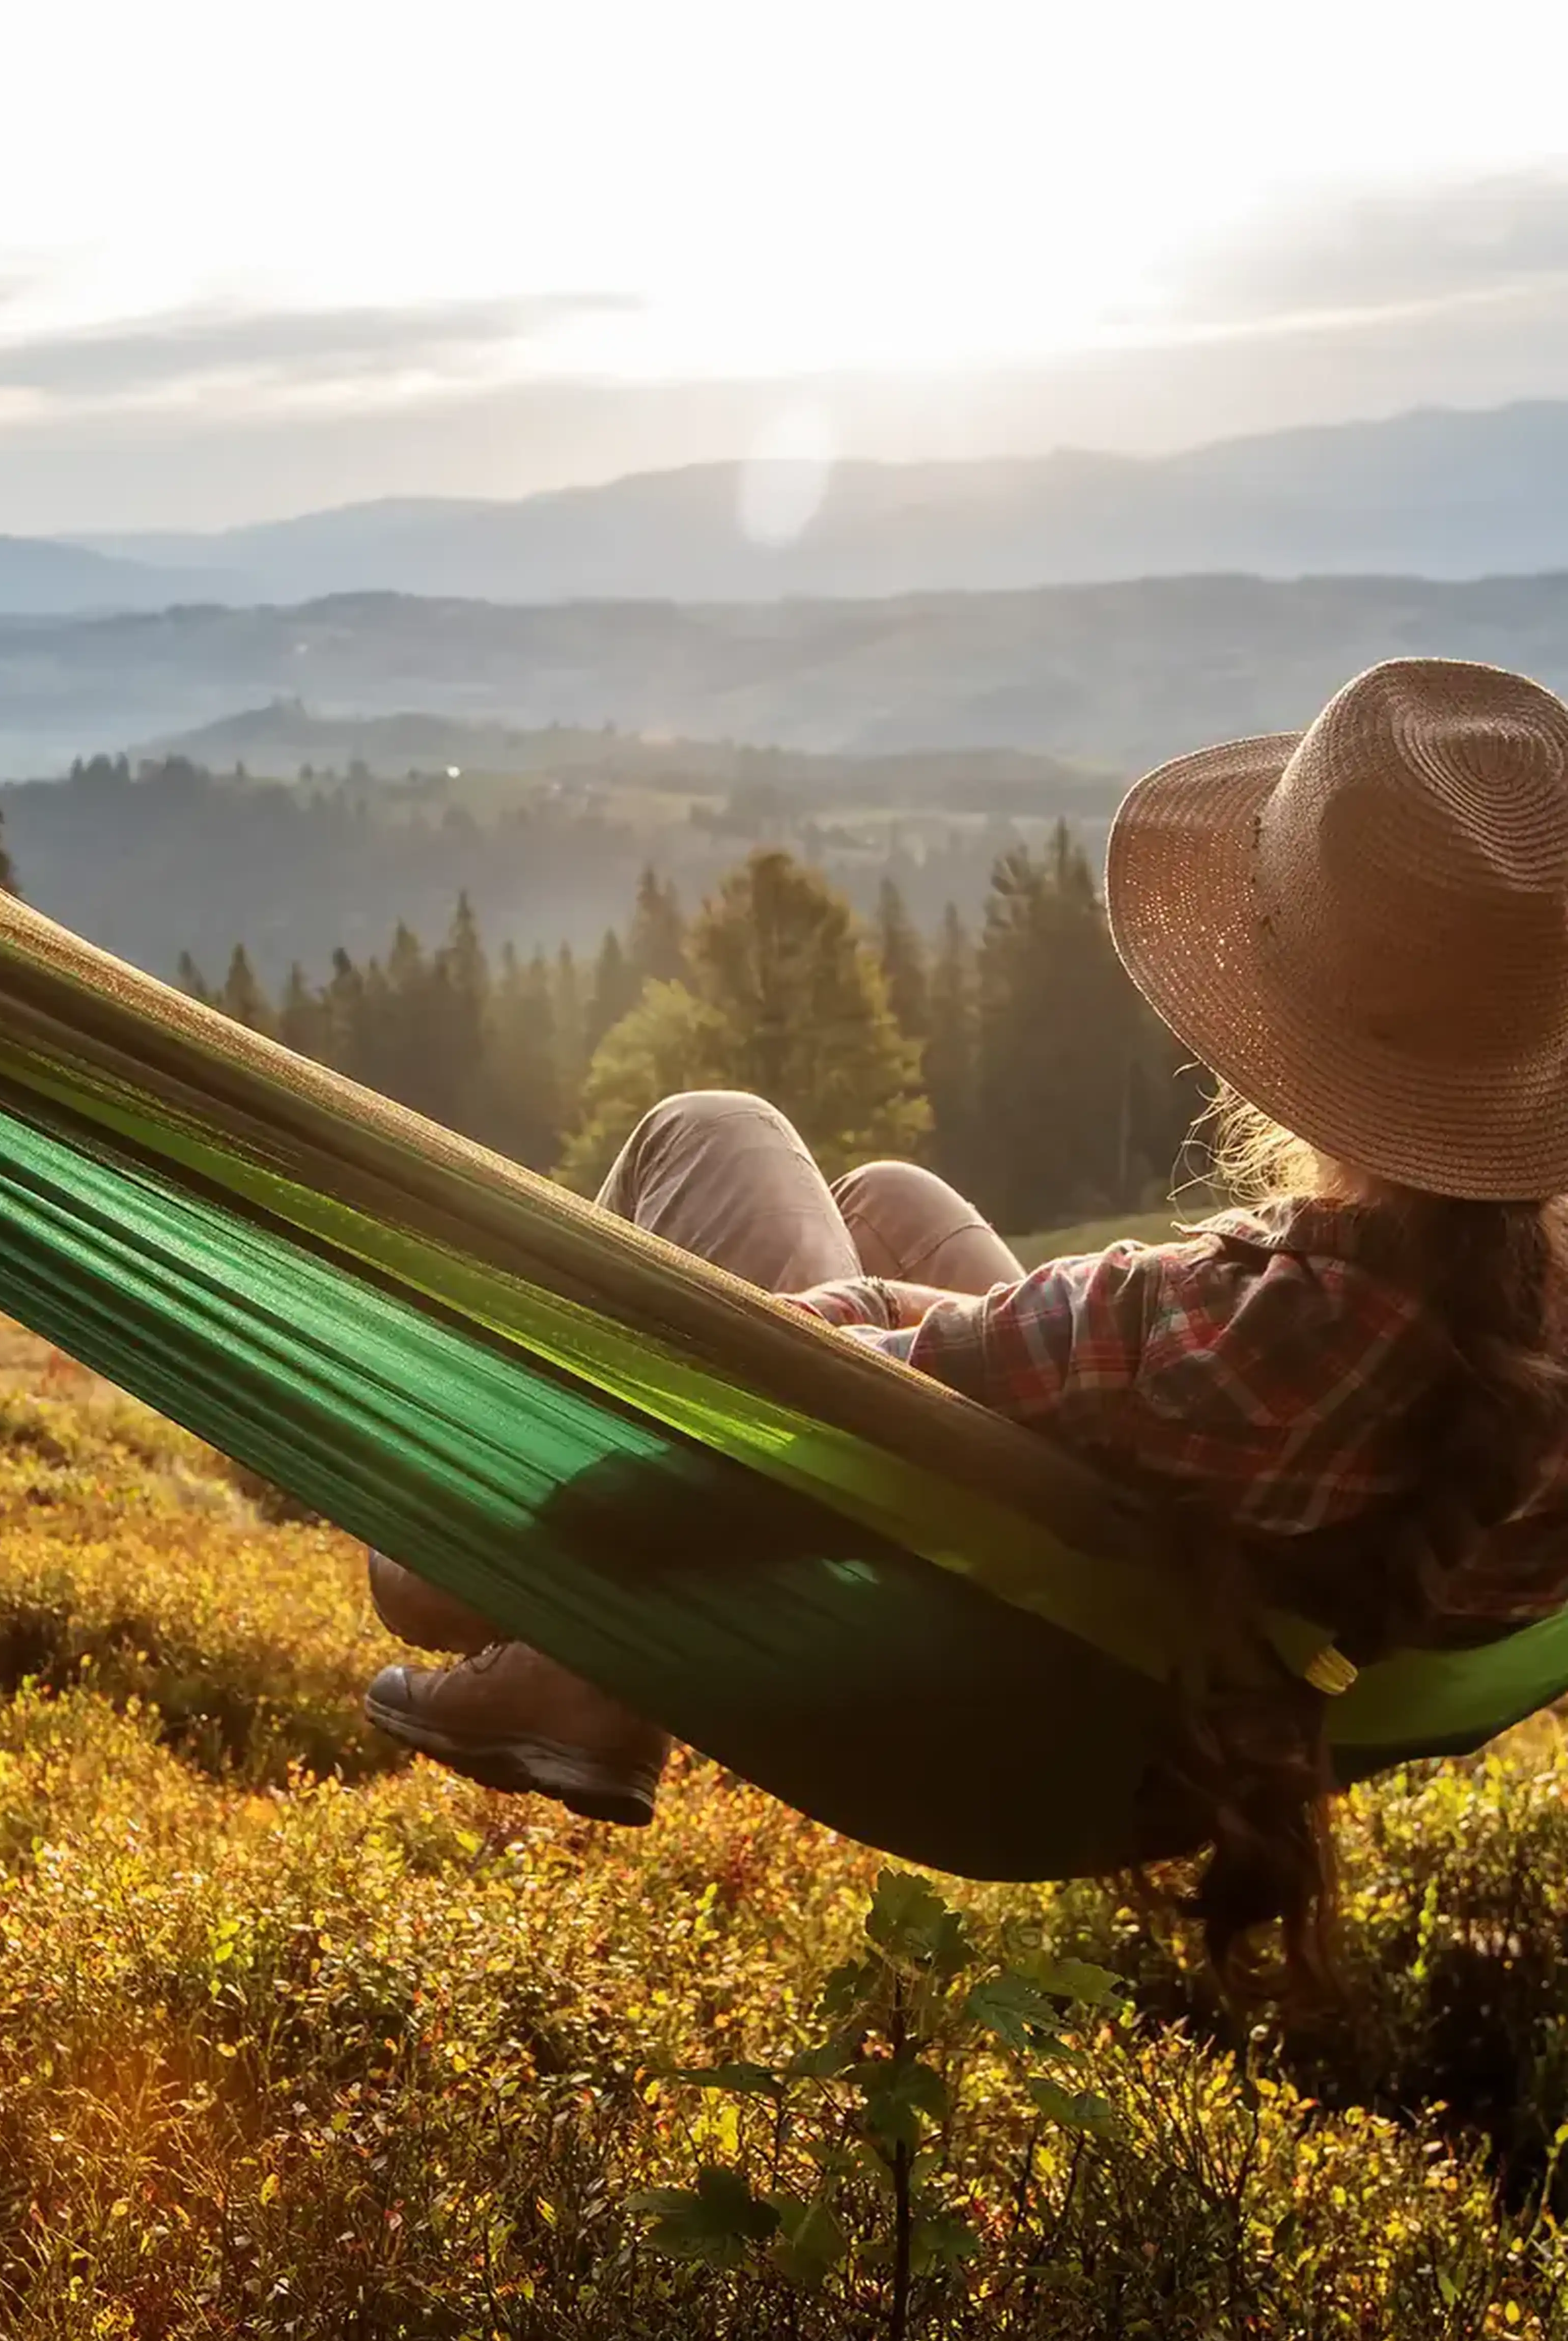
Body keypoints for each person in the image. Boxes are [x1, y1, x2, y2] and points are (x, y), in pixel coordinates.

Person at [364, 657, 1568, 1982]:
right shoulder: (1480, 1348)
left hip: (993, 1660)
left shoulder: (1214, 1339)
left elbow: (807, 1402)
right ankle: (586, 1680)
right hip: (1179, 1637)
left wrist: (864, 1323)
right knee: (886, 1192)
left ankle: (582, 1671)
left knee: (714, 1133)